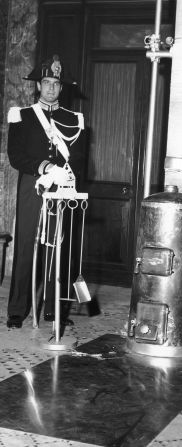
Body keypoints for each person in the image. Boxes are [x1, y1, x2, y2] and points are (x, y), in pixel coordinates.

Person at [7, 54, 85, 329]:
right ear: (38, 85)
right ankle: (17, 310)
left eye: (56, 83)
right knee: (27, 245)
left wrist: (64, 174)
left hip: (62, 187)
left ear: (62, 88)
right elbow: (15, 156)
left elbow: (79, 157)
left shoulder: (73, 119)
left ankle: (54, 310)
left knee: (57, 247)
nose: (51, 87)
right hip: (32, 187)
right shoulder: (23, 116)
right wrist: (43, 167)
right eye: (46, 82)